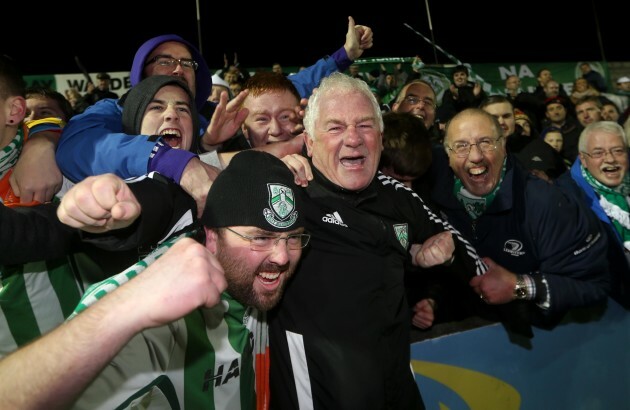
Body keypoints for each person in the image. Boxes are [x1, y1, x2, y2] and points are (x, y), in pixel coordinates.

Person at [0, 149, 307, 410]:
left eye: (293, 238)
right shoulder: (160, 309)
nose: (281, 256)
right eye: (260, 238)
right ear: (212, 237)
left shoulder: (249, 279)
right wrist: (124, 309)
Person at [270, 72, 487, 409]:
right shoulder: (287, 195)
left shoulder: (399, 196)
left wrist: (428, 259)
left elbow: (471, 264)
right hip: (320, 396)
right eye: (335, 127)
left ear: (381, 138)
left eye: (365, 125)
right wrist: (263, 168)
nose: (354, 139)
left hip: (397, 388)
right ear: (309, 142)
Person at [411, 108, 611, 336]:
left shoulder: (545, 203)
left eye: (485, 142)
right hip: (468, 347)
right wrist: (435, 301)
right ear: (447, 155)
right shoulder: (433, 200)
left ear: (503, 146)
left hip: (544, 350)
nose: (475, 156)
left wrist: (520, 286)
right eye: (461, 146)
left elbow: (593, 283)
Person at [555, 121, 630, 305]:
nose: (610, 159)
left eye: (618, 151)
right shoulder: (566, 198)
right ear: (583, 159)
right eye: (598, 153)